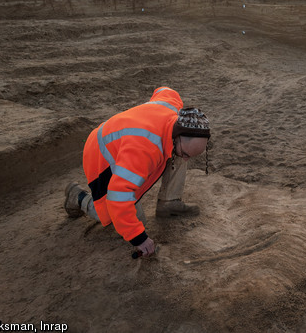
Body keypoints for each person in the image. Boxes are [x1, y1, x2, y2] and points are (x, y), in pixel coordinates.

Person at [64, 86, 210, 257]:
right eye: (185, 154)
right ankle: (78, 197)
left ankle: (168, 203)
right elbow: (118, 196)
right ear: (177, 135)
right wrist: (138, 238)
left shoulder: (175, 114)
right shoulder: (143, 150)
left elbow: (165, 91)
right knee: (116, 215)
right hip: (101, 156)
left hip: (122, 139)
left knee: (175, 155)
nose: (185, 159)